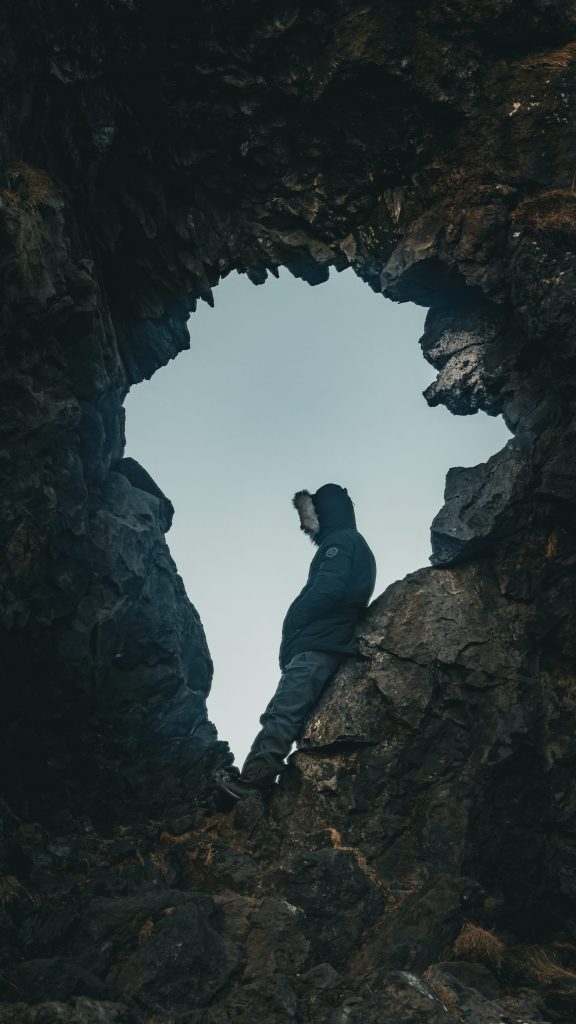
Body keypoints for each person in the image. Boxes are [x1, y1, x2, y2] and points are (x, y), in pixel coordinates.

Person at [221, 483, 376, 802]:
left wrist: (294, 620)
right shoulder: (350, 541)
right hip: (326, 644)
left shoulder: (340, 542)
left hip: (319, 647)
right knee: (285, 713)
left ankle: (253, 784)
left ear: (324, 512)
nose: (308, 523)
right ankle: (255, 782)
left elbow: (327, 590)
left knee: (283, 713)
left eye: (311, 514)